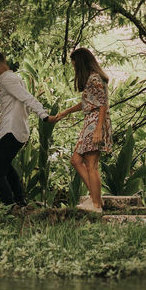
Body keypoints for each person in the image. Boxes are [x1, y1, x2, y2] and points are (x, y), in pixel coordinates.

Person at [0, 51, 54, 207]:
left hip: (11, 130)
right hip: (19, 131)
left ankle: (9, 206)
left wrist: (43, 114)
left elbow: (27, 97)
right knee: (6, 167)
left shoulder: (6, 79)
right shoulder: (16, 78)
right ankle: (20, 201)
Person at [51, 47, 113, 212]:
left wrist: (99, 129)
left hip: (96, 123)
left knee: (91, 164)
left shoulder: (95, 78)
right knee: (76, 161)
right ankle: (96, 198)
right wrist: (66, 111)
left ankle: (96, 204)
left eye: (74, 65)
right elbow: (88, 103)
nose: (74, 68)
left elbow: (102, 105)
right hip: (90, 122)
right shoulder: (91, 79)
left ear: (81, 63)